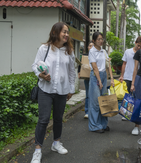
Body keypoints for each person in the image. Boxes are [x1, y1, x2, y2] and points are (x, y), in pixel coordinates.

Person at [31, 22, 76, 163]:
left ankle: (56, 143)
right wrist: (41, 75)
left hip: (62, 90)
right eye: (64, 31)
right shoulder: (44, 49)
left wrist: (71, 90)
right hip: (45, 89)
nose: (66, 34)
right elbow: (35, 65)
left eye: (67, 32)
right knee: (43, 119)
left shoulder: (69, 51)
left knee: (58, 118)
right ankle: (37, 150)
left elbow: (72, 72)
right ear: (55, 32)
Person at [88, 32, 114, 133]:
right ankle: (94, 126)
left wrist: (111, 78)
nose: (100, 41)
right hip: (96, 76)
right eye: (98, 39)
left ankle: (103, 124)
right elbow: (94, 67)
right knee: (95, 102)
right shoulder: (92, 51)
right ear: (93, 41)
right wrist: (99, 80)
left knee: (104, 101)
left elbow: (108, 65)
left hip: (103, 75)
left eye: (101, 39)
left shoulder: (103, 51)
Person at [78, 42, 94, 119]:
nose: (91, 47)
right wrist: (79, 73)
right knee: (88, 94)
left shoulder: (96, 55)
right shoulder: (84, 56)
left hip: (95, 77)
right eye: (90, 45)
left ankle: (93, 111)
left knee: (94, 95)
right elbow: (80, 65)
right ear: (88, 47)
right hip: (87, 78)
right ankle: (87, 112)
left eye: (92, 46)